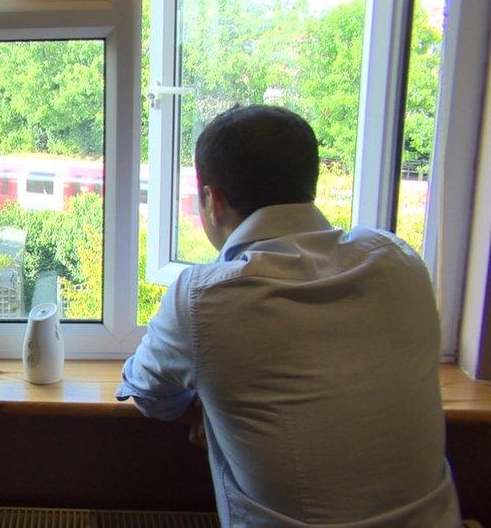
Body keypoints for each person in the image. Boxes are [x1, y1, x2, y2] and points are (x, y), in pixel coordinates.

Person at [117, 105, 460, 526]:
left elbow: (148, 393)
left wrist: (205, 402)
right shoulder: (399, 262)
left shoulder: (205, 296)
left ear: (212, 200)